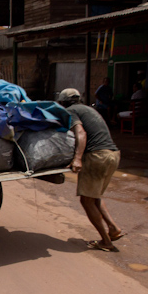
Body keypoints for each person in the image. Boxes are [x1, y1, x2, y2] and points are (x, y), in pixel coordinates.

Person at [58, 88, 126, 252]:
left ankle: (106, 241)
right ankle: (113, 228)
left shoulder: (71, 111)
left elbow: (81, 132)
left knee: (86, 201)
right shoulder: (89, 109)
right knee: (95, 196)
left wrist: (77, 158)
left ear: (64, 102)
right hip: (113, 154)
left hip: (96, 157)